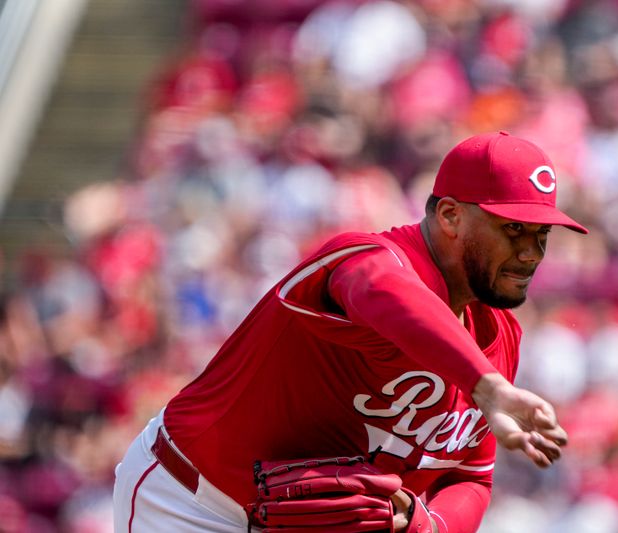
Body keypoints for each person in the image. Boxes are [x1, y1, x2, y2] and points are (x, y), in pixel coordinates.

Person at [112, 130, 588, 532]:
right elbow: (383, 293)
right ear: (450, 216)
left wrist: (427, 524)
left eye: (540, 235)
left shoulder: (500, 336)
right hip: (194, 505)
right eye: (513, 229)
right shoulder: (366, 259)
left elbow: (472, 479)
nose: (531, 254)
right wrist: (484, 384)